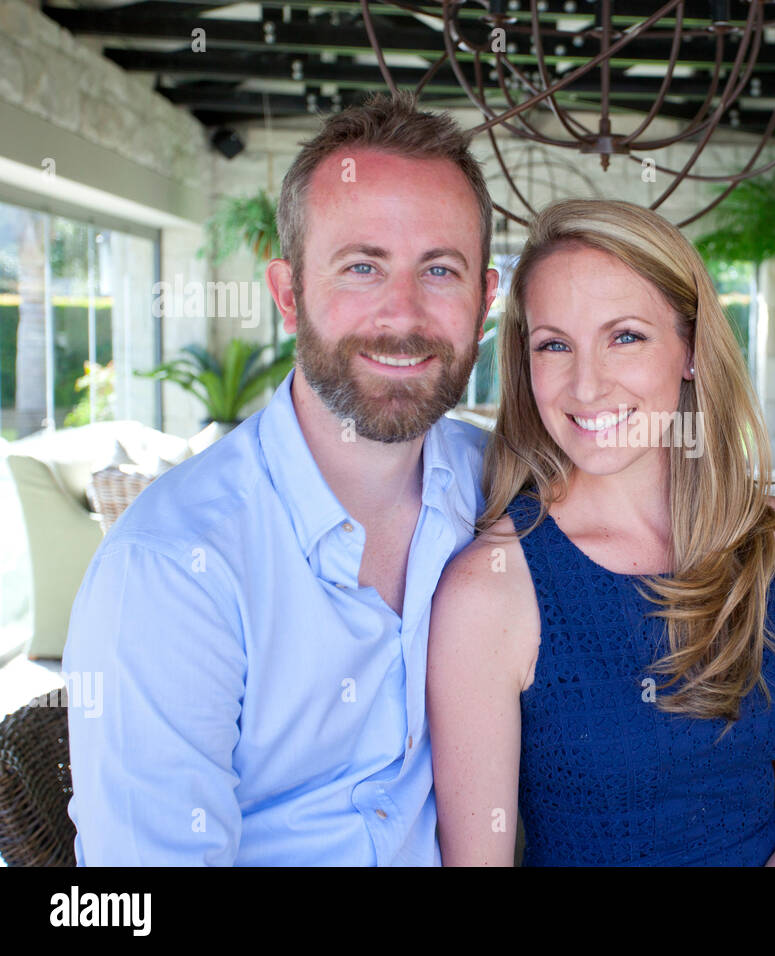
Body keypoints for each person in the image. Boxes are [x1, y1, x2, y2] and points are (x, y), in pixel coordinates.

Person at [62, 91, 498, 865]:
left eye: (440, 269)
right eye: (363, 266)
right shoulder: (169, 573)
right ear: (289, 295)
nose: (402, 314)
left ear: (485, 300)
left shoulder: (494, 486)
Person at [428, 199, 775, 865]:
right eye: (554, 345)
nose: (587, 384)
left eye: (625, 336)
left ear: (689, 349)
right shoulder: (490, 590)